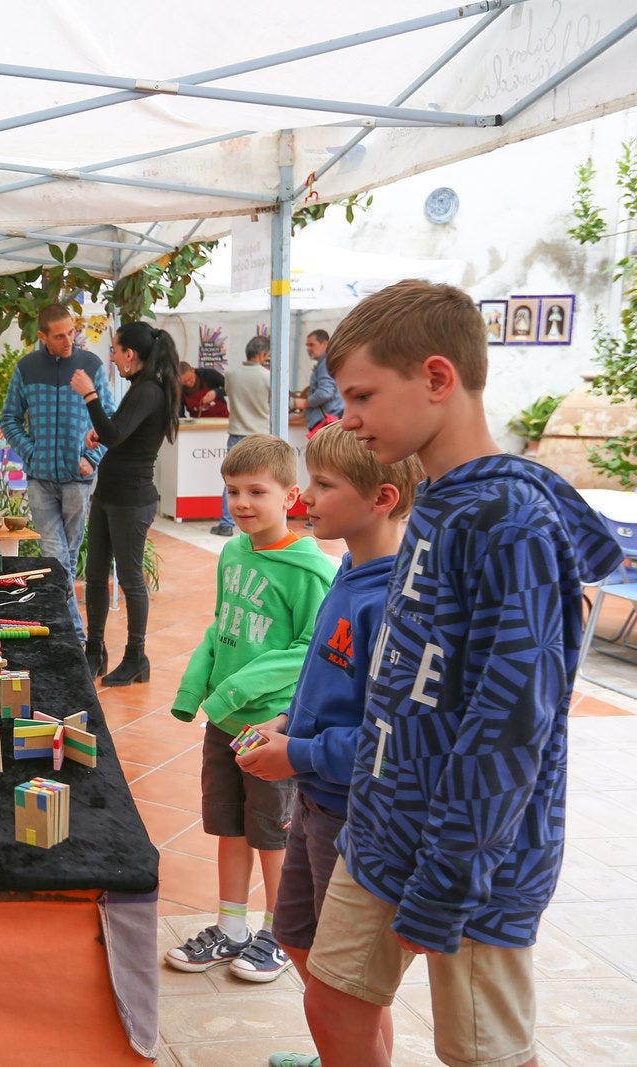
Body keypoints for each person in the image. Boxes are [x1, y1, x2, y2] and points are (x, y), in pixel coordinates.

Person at [305, 280, 624, 1067]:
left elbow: (512, 722)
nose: (348, 418)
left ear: (438, 379)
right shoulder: (441, 495)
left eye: (363, 395)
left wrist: (450, 876)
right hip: (385, 824)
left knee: (482, 1050)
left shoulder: (513, 522)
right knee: (335, 995)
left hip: (475, 853)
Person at [232, 424, 422, 1066]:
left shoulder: (395, 603)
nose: (305, 497)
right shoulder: (348, 566)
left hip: (352, 813)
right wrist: (289, 722)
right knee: (303, 945)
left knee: (345, 991)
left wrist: (299, 754)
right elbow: (327, 677)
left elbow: (388, 740)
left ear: (383, 498)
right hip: (316, 801)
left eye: (323, 485)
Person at [166, 434, 336, 981]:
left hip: (269, 726)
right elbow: (222, 625)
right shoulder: (234, 552)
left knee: (273, 835)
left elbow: (308, 649)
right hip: (225, 721)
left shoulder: (311, 572)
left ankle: (278, 932)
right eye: (233, 491)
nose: (241, 503)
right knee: (230, 826)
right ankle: (231, 927)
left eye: (256, 491)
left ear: (290, 497)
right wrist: (197, 692)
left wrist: (235, 693)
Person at [69, 322, 181, 684]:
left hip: (131, 501)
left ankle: (136, 657)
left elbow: (117, 436)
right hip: (110, 495)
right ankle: (95, 651)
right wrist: (97, 428)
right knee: (97, 576)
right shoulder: (140, 388)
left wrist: (90, 397)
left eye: (115, 350)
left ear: (130, 354)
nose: (112, 357)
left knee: (131, 580)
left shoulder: (150, 390)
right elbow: (121, 429)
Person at [1, 304, 113, 639]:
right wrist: (32, 452)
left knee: (63, 556)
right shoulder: (26, 368)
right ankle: (75, 635)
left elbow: (108, 419)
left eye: (72, 332)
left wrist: (91, 459)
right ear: (43, 336)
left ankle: (62, 629)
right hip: (40, 479)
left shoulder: (90, 365)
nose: (69, 340)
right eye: (60, 335)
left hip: (78, 479)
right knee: (54, 554)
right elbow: (10, 419)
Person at [213, 334, 271, 536]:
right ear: (263, 355)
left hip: (237, 432)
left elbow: (229, 394)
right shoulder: (267, 376)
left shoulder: (231, 374)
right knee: (262, 481)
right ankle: (262, 521)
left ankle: (226, 523)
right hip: (260, 435)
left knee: (232, 481)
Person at [290, 329, 343, 432]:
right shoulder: (325, 363)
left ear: (324, 343)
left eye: (311, 345)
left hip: (326, 425)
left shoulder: (325, 364)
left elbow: (325, 393)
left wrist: (305, 403)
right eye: (307, 345)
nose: (308, 349)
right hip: (327, 423)